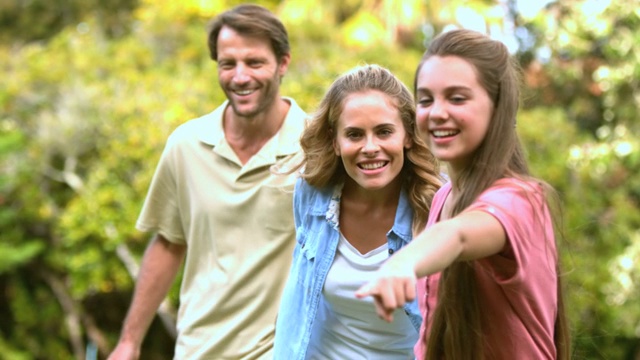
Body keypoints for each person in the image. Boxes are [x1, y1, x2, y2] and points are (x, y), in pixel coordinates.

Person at [356, 29, 571, 359]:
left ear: (497, 106)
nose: (437, 112)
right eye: (426, 99)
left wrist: (403, 262)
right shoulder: (444, 197)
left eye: (457, 98)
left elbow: (457, 236)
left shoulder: (522, 200)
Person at [108, 4, 307, 359]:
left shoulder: (315, 145)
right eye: (228, 64)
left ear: (283, 63)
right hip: (198, 349)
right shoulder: (186, 145)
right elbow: (169, 243)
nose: (240, 76)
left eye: (255, 62)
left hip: (284, 350)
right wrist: (129, 341)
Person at [273, 64, 442, 359]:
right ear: (335, 142)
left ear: (408, 135)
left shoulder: (438, 207)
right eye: (354, 135)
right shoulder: (313, 195)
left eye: (384, 132)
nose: (370, 147)